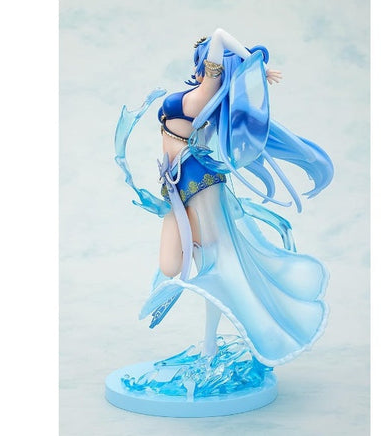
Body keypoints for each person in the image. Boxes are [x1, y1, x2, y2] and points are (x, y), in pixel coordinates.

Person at [115, 28, 334, 367]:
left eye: (206, 62)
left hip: (199, 185)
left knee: (215, 264)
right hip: (178, 187)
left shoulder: (203, 95)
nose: (201, 66)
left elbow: (219, 35)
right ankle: (208, 338)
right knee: (177, 265)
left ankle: (209, 345)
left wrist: (253, 65)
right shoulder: (205, 100)